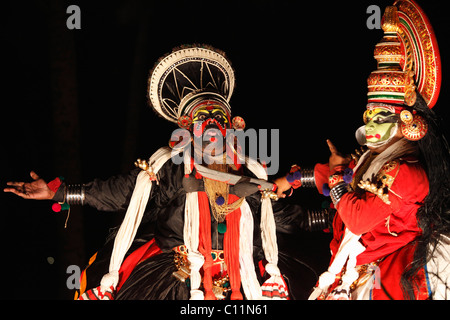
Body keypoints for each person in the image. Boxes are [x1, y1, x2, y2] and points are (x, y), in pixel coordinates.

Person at [5, 44, 323, 300]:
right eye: (202, 119)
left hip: (240, 278)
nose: (212, 125)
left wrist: (331, 214)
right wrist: (57, 192)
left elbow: (281, 217)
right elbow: (117, 192)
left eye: (218, 117)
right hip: (175, 278)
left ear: (234, 126)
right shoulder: (170, 168)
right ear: (188, 129)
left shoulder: (249, 172)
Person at [275, 0, 450, 299]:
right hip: (355, 262)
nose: (369, 126)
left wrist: (335, 179)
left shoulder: (405, 172)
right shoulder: (375, 157)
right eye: (368, 117)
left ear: (404, 122)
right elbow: (343, 173)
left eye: (380, 118)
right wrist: (293, 180)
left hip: (385, 264)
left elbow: (357, 217)